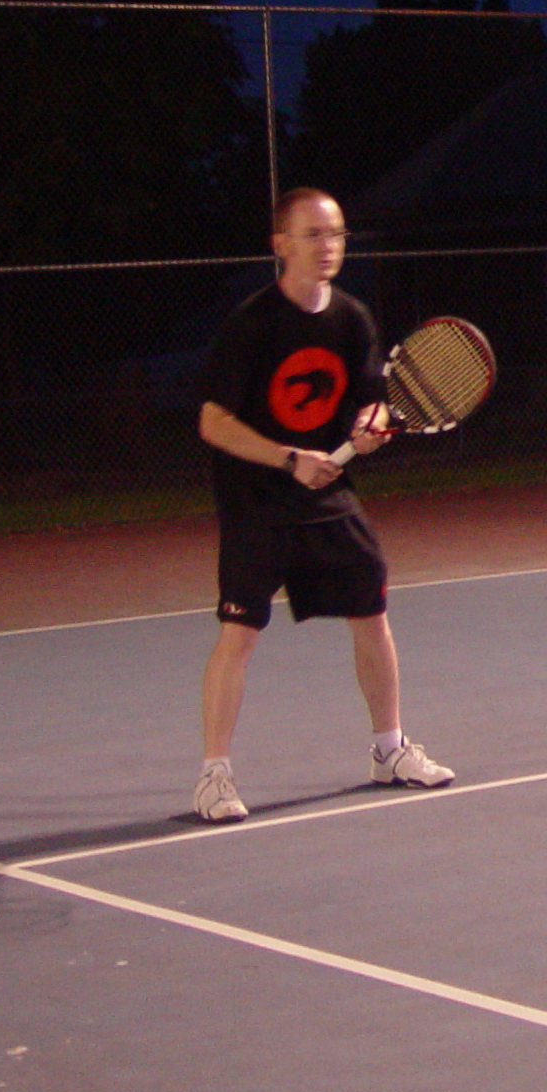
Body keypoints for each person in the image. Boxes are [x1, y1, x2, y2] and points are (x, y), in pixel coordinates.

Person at [190, 188, 454, 822]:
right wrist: (287, 458)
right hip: (257, 498)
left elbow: (374, 400)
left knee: (372, 611)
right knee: (240, 633)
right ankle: (213, 777)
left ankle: (389, 750)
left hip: (329, 496)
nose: (328, 246)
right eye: (312, 235)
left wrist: (371, 423)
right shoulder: (251, 325)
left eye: (336, 234)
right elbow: (212, 422)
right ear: (281, 246)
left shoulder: (352, 319)